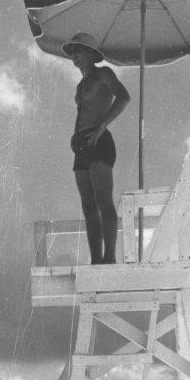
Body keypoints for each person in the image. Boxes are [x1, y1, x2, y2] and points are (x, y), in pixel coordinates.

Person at [62, 31, 130, 266]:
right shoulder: (80, 85)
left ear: (91, 53)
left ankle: (109, 256)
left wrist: (102, 126)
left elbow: (123, 97)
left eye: (78, 51)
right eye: (72, 53)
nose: (74, 57)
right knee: (88, 204)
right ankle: (96, 259)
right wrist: (75, 137)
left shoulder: (103, 73)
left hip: (99, 141)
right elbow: (82, 115)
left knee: (103, 199)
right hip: (81, 145)